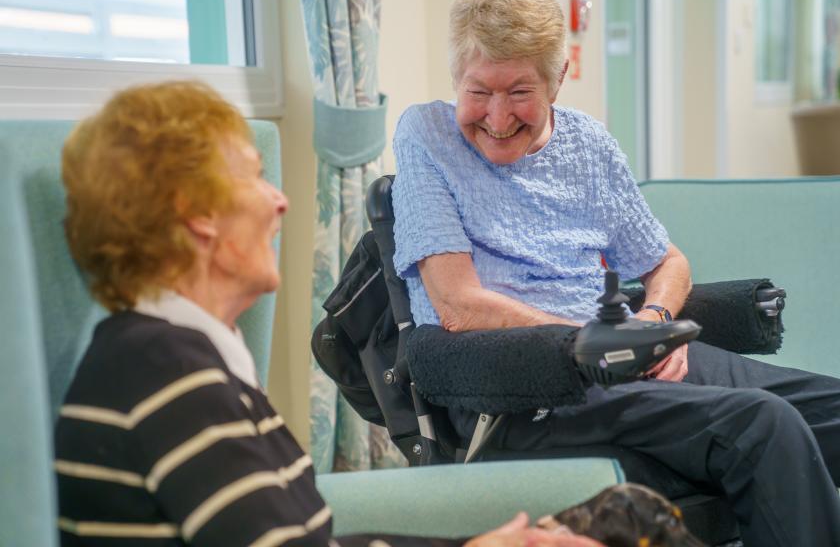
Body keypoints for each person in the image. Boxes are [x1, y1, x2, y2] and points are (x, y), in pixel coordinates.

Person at [53, 80, 602, 547]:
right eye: (252, 178)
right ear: (195, 215)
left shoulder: (179, 359)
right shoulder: (166, 375)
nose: (279, 201)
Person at [390, 0, 840, 546]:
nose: (498, 116)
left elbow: (667, 262)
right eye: (478, 91)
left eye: (520, 92)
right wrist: (600, 344)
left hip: (620, 356)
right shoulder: (427, 136)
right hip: (522, 386)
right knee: (763, 427)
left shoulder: (588, 144)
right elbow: (457, 305)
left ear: (559, 80)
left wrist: (651, 324)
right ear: (456, 77)